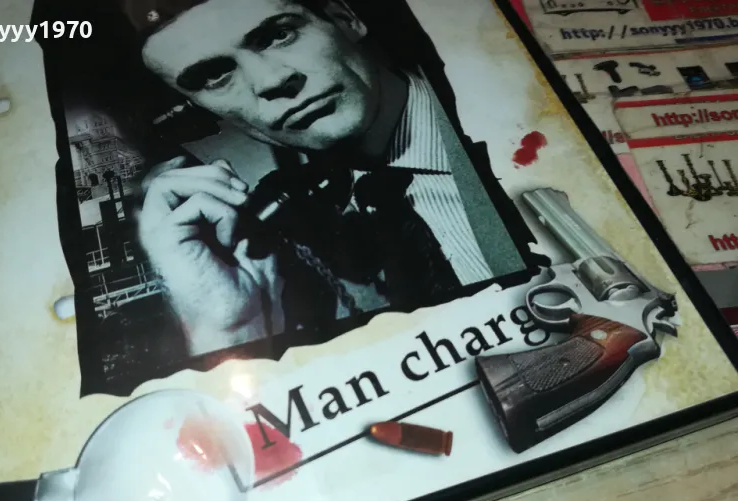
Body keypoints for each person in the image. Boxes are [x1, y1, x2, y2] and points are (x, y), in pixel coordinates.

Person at [118, 0, 521, 356]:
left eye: (279, 35)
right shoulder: (297, 247)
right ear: (199, 109)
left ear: (344, 18)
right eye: (214, 76)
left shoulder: (511, 115)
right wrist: (232, 328)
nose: (271, 82)